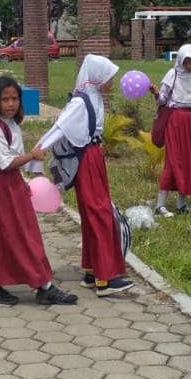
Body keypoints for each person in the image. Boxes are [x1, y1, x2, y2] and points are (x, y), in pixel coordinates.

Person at [37, 55, 135, 297]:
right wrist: (40, 149)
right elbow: (60, 126)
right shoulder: (81, 102)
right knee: (100, 212)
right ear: (97, 77)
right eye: (109, 76)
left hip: (93, 156)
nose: (112, 81)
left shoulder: (93, 97)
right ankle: (105, 278)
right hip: (87, 159)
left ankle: (92, 270)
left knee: (92, 211)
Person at [0, 76, 78, 306]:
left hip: (11, 183)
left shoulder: (12, 125)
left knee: (12, 234)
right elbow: (6, 163)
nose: (11, 104)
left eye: (14, 99)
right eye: (5, 100)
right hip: (0, 186)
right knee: (20, 234)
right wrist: (33, 156)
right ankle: (43, 286)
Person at [149, 43, 191, 217]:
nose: (189, 66)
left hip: (190, 121)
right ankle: (160, 205)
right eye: (186, 62)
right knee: (174, 161)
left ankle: (182, 203)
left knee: (188, 160)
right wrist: (156, 93)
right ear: (180, 61)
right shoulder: (172, 75)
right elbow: (163, 100)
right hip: (175, 121)